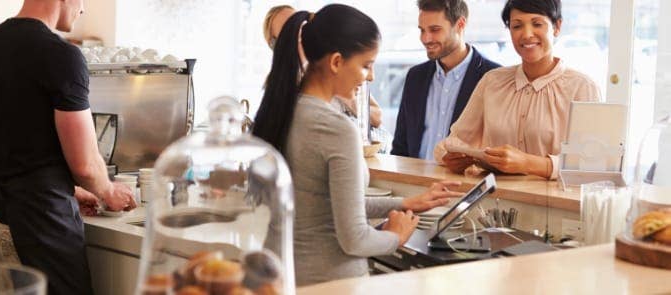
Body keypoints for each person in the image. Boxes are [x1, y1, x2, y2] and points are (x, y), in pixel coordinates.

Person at [253, 4, 463, 286]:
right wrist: (396, 237)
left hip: (286, 278)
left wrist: (405, 203)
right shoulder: (337, 128)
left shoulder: (285, 110)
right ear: (337, 62)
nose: (371, 77)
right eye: (366, 65)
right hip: (333, 281)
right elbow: (355, 239)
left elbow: (323, 203)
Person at [0, 0, 137, 294]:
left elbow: (16, 141)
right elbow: (84, 163)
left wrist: (69, 188)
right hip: (41, 218)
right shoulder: (61, 55)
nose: (82, 10)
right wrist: (107, 190)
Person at [434, 0, 601, 179]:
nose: (527, 34)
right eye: (517, 26)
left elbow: (593, 164)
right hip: (495, 200)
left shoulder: (582, 87)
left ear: (557, 26)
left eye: (537, 24)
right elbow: (450, 143)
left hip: (555, 204)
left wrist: (529, 164)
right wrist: (453, 158)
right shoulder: (492, 81)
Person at [391, 0, 500, 160]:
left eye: (435, 30)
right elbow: (401, 147)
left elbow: (494, 148)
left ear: (460, 24)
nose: (426, 38)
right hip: (415, 182)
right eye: (422, 30)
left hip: (464, 183)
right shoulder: (415, 76)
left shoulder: (493, 77)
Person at [263, 4, 384, 129]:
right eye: (288, 31)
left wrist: (342, 91)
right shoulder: (279, 88)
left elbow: (377, 117)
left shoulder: (336, 66)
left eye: (298, 25)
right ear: (275, 45)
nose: (296, 31)